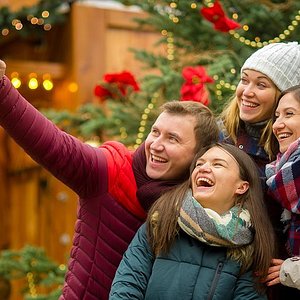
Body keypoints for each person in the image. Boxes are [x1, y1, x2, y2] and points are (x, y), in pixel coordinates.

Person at [0, 60, 219, 299]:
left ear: (199, 155)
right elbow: (52, 144)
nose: (156, 145)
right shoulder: (110, 170)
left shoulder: (205, 208)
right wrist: (2, 92)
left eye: (173, 139)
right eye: (155, 132)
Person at [110, 143, 275, 299]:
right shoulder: (160, 222)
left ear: (241, 187)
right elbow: (127, 284)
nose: (203, 168)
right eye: (199, 164)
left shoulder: (247, 245)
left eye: (217, 165)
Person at [264, 85, 300, 297]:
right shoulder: (281, 174)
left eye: (289, 114)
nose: (277, 125)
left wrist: (293, 270)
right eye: (276, 116)